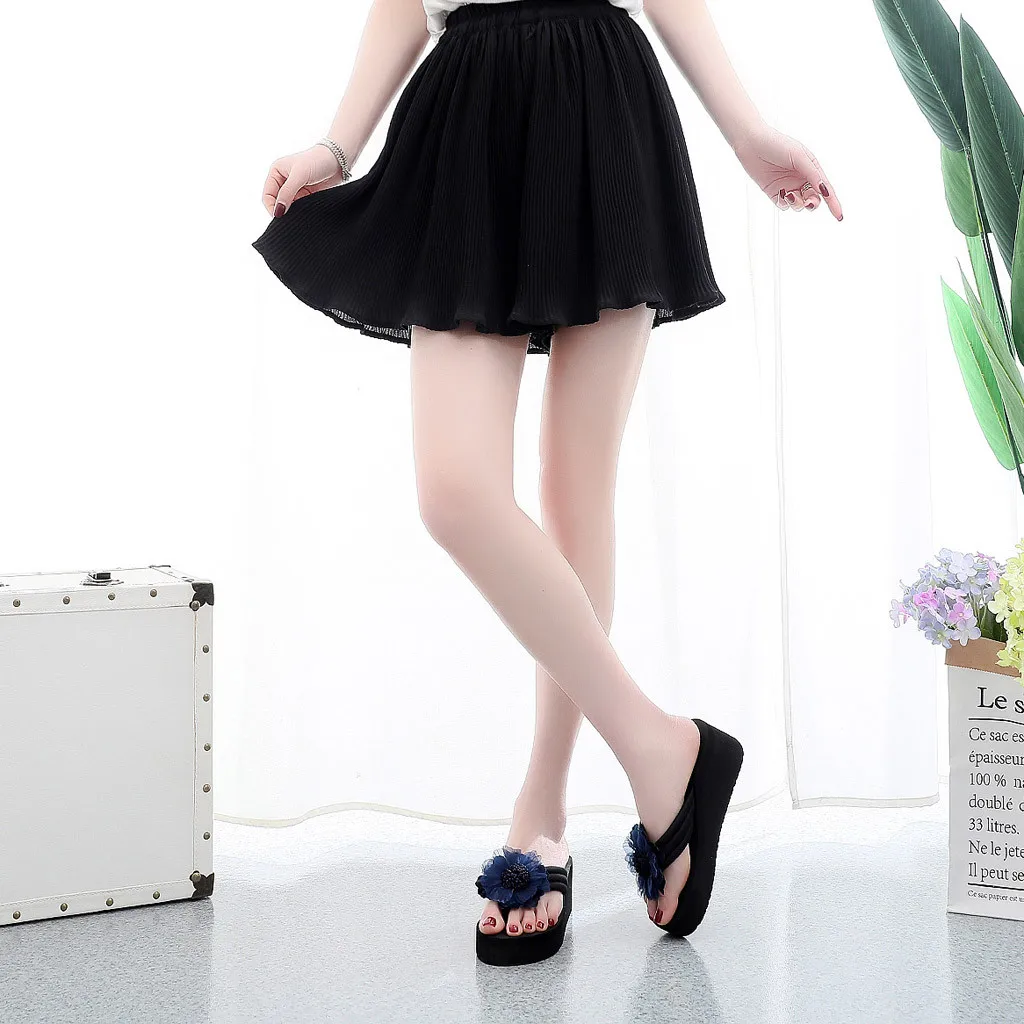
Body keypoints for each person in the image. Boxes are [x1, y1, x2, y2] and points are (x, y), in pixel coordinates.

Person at [253, 0, 843, 967]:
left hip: (600, 101)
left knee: (576, 495)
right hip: (464, 116)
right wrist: (337, 142)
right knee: (455, 492)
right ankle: (662, 748)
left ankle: (540, 812)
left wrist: (748, 132)